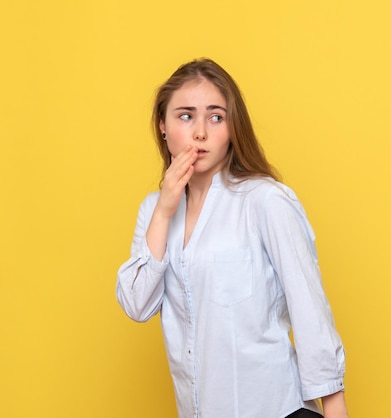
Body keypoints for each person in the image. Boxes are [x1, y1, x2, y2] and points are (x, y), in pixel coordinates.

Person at [116, 58, 348, 418]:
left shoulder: (265, 200)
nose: (200, 134)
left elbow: (310, 312)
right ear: (163, 126)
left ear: (232, 126)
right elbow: (137, 305)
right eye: (185, 116)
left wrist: (336, 410)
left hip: (276, 407)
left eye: (216, 117)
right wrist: (164, 210)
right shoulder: (154, 210)